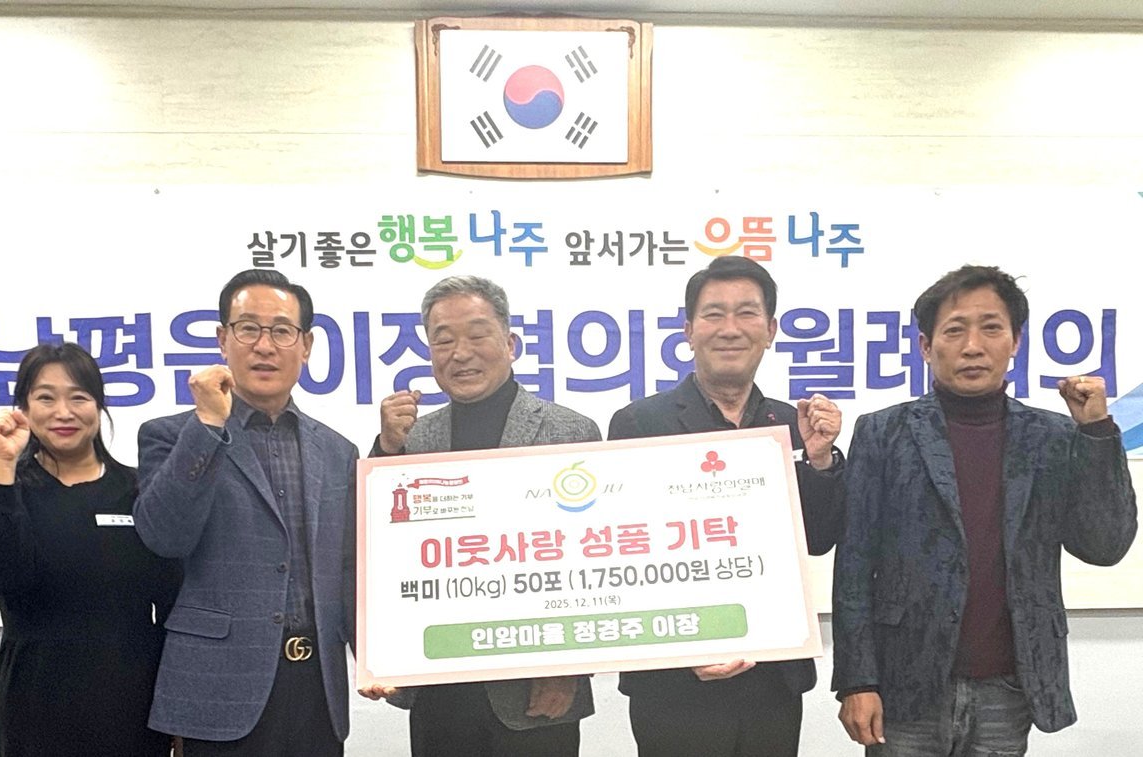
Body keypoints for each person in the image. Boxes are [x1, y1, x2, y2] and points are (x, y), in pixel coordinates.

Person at [832, 264, 1138, 756]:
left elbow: (1104, 545)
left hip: (1008, 687)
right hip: (905, 684)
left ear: (1015, 341)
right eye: (954, 330)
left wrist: (1097, 433)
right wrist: (857, 680)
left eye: (991, 328)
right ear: (926, 346)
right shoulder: (884, 433)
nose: (973, 346)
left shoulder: (1054, 436)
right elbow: (853, 565)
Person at [607, 254, 845, 757]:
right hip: (674, 684)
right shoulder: (638, 423)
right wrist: (683, 651)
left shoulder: (792, 423)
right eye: (713, 314)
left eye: (747, 313)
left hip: (772, 678)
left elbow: (820, 539)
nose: (730, 328)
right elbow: (623, 556)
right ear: (689, 331)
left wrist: (821, 460)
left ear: (771, 330)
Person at [362, 275, 601, 757]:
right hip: (439, 684)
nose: (460, 353)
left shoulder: (571, 431)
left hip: (537, 692)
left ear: (510, 344)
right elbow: (379, 548)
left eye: (476, 334)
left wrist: (569, 668)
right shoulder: (412, 437)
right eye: (443, 340)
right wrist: (385, 450)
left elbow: (597, 559)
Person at [133, 269, 359, 756]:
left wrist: (381, 658)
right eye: (248, 328)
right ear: (223, 339)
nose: (264, 346)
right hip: (218, 689)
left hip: (316, 690)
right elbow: (163, 537)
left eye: (282, 330)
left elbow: (349, 569)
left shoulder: (338, 451)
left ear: (306, 345)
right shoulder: (171, 436)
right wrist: (208, 423)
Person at [0, 342, 180, 757]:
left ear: (99, 405)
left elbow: (173, 601)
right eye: (45, 398)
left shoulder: (138, 489)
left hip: (132, 703)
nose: (63, 412)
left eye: (79, 397)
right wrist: (1, 465)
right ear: (23, 408)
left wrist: (179, 711)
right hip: (35, 701)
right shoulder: (1, 487)